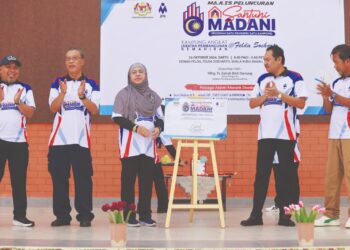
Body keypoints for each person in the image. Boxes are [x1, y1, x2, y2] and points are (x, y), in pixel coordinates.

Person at [240, 45, 307, 227]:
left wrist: (279, 94)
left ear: (279, 60)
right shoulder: (262, 79)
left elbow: (300, 103)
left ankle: (285, 216)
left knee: (284, 176)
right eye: (264, 60)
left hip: (286, 135)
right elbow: (252, 103)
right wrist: (265, 96)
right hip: (265, 135)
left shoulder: (294, 77)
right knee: (261, 176)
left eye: (268, 59)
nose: (265, 63)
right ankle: (256, 216)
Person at [48, 48, 100, 227]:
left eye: (75, 58)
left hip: (81, 141)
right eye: (68, 58)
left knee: (84, 180)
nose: (71, 61)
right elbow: (53, 108)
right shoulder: (57, 82)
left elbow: (94, 110)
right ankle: (62, 216)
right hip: (58, 141)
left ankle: (85, 216)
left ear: (82, 61)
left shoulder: (92, 83)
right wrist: (62, 93)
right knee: (59, 180)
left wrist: (82, 96)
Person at [112, 63, 163, 227]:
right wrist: (135, 128)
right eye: (134, 72)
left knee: (146, 182)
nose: (137, 74)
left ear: (146, 75)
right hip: (130, 145)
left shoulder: (153, 96)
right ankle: (129, 216)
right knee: (128, 182)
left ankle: (145, 215)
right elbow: (117, 117)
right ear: (129, 76)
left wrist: (158, 128)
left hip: (148, 145)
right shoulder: (123, 94)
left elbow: (160, 118)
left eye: (141, 71)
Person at [315, 44, 350, 228]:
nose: (334, 66)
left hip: (349, 135)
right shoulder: (336, 83)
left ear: (347, 61)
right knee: (332, 177)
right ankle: (331, 214)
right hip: (334, 134)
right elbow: (329, 110)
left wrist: (333, 95)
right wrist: (325, 96)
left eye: (336, 62)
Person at [0, 55, 36, 227]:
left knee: (19, 181)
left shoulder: (25, 88)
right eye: (8, 67)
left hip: (19, 142)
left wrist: (18, 103)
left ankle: (19, 217)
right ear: (1, 69)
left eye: (15, 67)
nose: (12, 71)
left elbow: (30, 113)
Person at [266, 116, 301, 212]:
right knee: (279, 180)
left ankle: (294, 204)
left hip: (291, 153)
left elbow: (296, 134)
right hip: (276, 155)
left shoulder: (292, 115)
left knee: (291, 178)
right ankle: (279, 204)